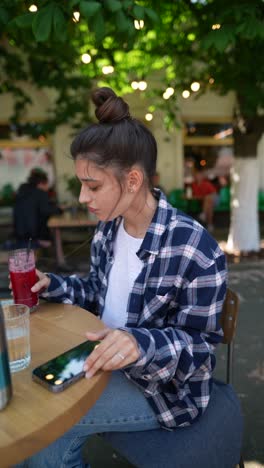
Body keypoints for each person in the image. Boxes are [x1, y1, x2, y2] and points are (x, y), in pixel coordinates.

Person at [15, 87, 227, 467]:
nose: (83, 197)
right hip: (104, 361)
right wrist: (56, 285)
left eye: (93, 186)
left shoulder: (195, 248)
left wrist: (138, 345)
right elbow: (100, 293)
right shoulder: (110, 230)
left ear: (132, 181)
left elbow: (201, 348)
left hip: (164, 390)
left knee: (45, 427)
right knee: (29, 396)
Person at [13, 168, 62, 248]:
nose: (47, 187)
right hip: (33, 236)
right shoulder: (40, 193)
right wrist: (60, 209)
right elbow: (46, 210)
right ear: (40, 184)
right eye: (46, 184)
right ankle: (58, 257)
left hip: (19, 234)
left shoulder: (22, 191)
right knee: (53, 238)